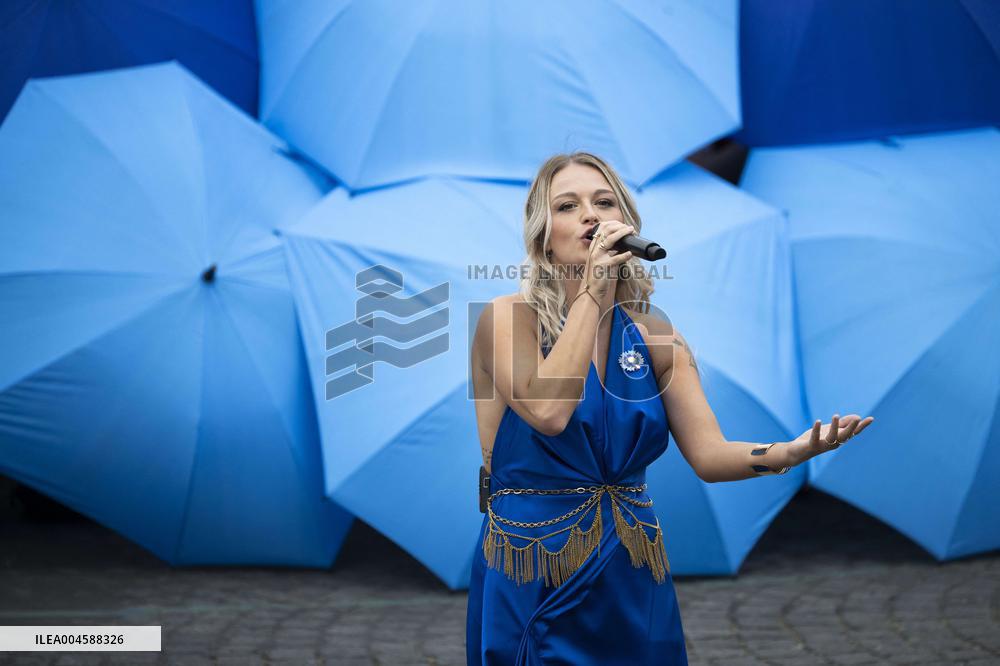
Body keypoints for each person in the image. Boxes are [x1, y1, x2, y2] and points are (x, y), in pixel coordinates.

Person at [465, 152, 875, 665]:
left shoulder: (655, 336)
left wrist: (790, 452)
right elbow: (549, 411)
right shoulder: (506, 320)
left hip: (630, 569)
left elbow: (709, 456)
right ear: (545, 234)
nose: (590, 215)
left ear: (627, 225)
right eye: (568, 206)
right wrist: (593, 292)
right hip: (533, 568)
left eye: (604, 201)